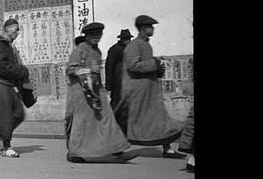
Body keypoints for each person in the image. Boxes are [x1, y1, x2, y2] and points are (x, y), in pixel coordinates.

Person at [65, 23, 139, 163]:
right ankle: (74, 152)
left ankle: (117, 150)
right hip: (82, 93)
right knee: (82, 123)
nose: (95, 38)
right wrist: (85, 71)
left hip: (97, 91)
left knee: (107, 118)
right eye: (92, 36)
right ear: (86, 36)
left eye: (98, 35)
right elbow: (70, 69)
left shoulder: (97, 51)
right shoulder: (80, 50)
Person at [114, 15, 184, 158]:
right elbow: (133, 66)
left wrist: (157, 67)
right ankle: (114, 147)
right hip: (137, 93)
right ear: (142, 29)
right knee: (125, 121)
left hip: (150, 91)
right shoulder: (134, 46)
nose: (152, 29)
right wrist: (154, 64)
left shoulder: (145, 44)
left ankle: (167, 149)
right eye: (150, 27)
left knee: (160, 119)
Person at [0, 18, 29, 158]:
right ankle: (6, 147)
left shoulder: (9, 47)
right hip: (0, 84)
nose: (17, 32)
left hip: (10, 84)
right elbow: (3, 68)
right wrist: (22, 71)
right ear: (7, 29)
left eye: (18, 30)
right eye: (15, 29)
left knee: (19, 114)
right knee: (7, 115)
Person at [105, 29, 133, 110]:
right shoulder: (114, 49)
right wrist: (108, 85)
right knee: (116, 101)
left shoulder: (131, 49)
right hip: (117, 81)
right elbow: (109, 67)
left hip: (129, 80)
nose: (127, 40)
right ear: (121, 39)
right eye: (125, 39)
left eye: (128, 39)